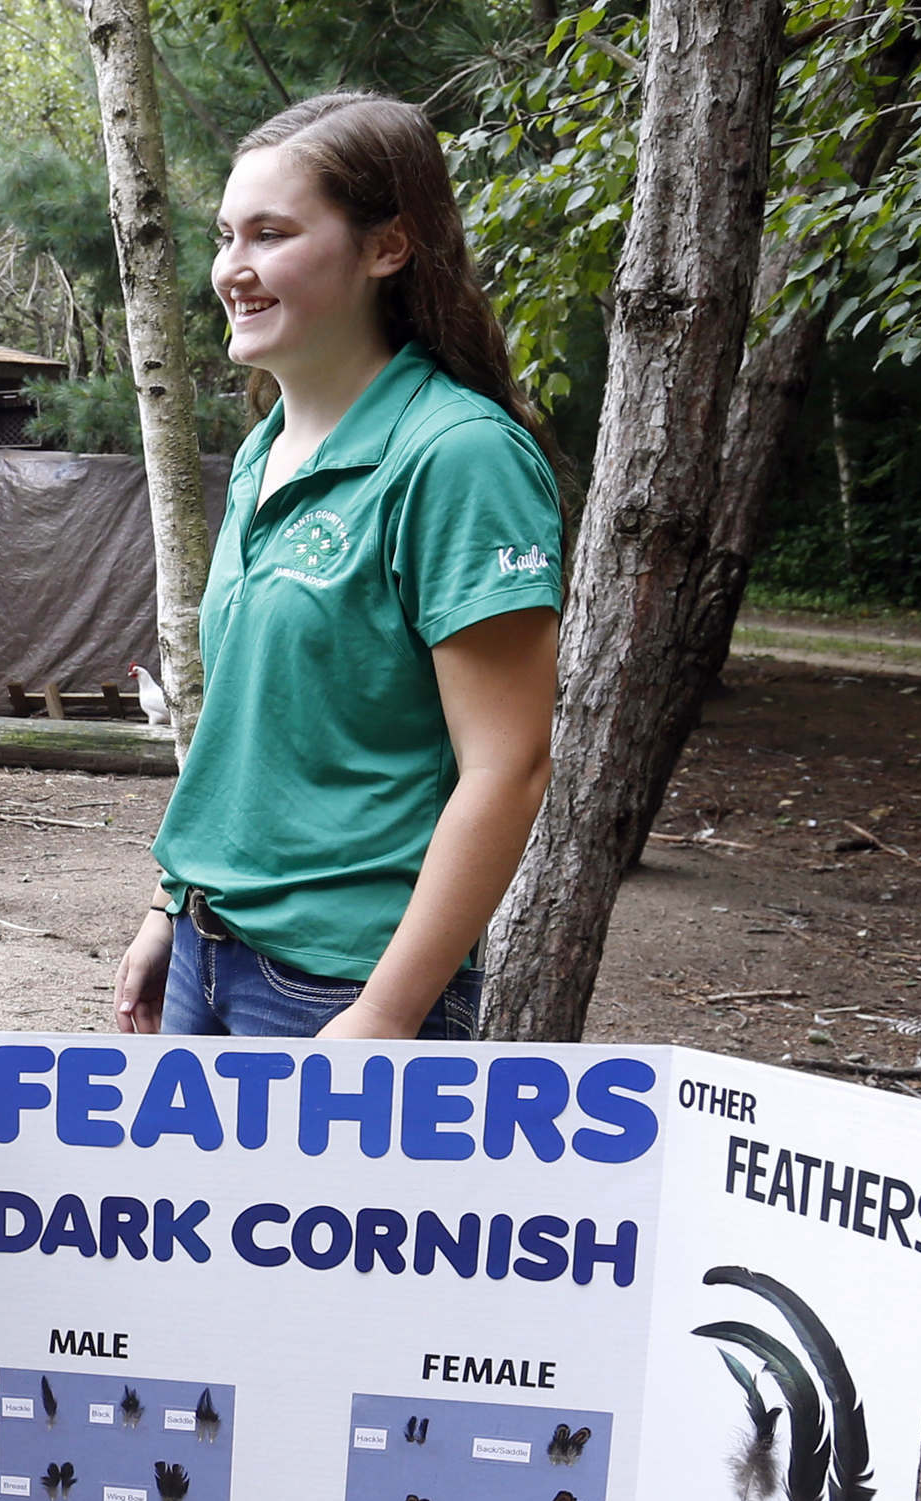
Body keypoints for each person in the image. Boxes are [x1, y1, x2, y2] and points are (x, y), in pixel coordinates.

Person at [113, 93, 562, 1042]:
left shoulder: (457, 456)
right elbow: (253, 723)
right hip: (208, 951)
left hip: (340, 989)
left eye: (271, 235)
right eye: (226, 235)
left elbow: (509, 767)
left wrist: (386, 1015)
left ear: (387, 247)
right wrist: (172, 903)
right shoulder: (264, 447)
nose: (233, 269)